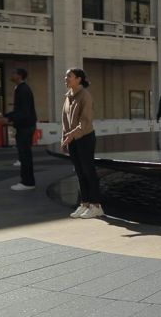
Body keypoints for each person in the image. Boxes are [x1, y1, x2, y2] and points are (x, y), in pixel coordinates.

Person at [62, 68, 103, 219]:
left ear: (79, 79)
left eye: (69, 76)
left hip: (84, 137)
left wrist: (70, 136)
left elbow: (85, 121)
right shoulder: (68, 96)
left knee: (88, 171)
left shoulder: (85, 95)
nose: (66, 78)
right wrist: (64, 138)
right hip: (72, 139)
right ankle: (85, 203)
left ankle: (96, 206)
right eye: (66, 76)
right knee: (79, 172)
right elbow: (64, 120)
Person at [0, 68, 37, 191]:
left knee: (25, 155)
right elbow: (20, 110)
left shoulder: (23, 90)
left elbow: (24, 112)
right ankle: (27, 181)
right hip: (25, 126)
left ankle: (28, 182)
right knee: (24, 155)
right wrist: (7, 116)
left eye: (13, 73)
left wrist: (9, 120)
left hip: (25, 127)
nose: (11, 74)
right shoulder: (21, 89)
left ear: (19, 76)